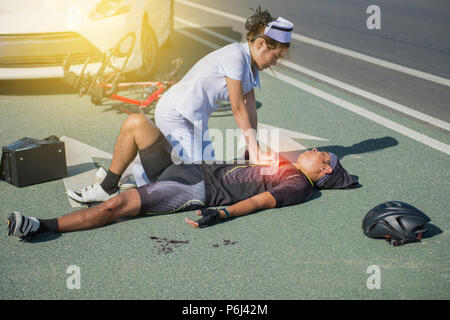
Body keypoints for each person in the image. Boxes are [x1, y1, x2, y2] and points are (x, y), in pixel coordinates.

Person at [6, 121, 359, 241]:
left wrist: (223, 215)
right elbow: (252, 154)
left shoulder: (299, 185)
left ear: (324, 171)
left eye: (321, 155)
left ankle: (41, 226)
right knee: (136, 123)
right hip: (188, 167)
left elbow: (260, 201)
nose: (314, 149)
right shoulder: (286, 163)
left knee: (117, 208)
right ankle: (108, 182)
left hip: (194, 190)